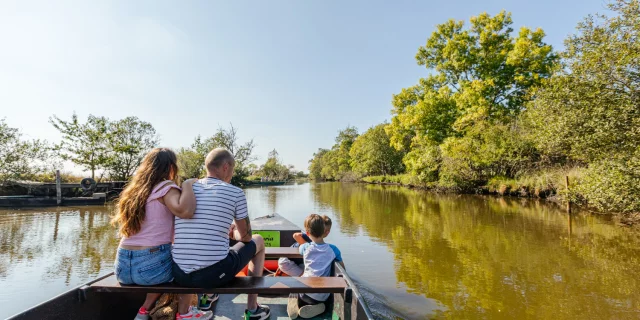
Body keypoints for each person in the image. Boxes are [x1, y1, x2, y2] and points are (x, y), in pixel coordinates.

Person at [111, 148, 212, 320]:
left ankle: (143, 311)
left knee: (162, 264)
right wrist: (187, 185)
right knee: (188, 263)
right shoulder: (166, 187)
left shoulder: (134, 191)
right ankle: (186, 313)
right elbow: (185, 211)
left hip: (122, 268)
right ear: (171, 167)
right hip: (150, 268)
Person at [171, 148, 271, 320]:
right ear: (225, 167)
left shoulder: (185, 190)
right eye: (232, 169)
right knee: (259, 241)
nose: (232, 173)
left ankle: (185, 311)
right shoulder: (235, 192)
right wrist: (232, 234)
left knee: (190, 250)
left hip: (179, 273)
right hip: (213, 276)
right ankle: (253, 309)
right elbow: (247, 237)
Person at [287, 214, 344, 319]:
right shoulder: (333, 249)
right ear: (325, 232)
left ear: (307, 233)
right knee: (319, 293)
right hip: (322, 296)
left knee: (295, 286)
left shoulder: (305, 247)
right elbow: (342, 269)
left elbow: (299, 248)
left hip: (303, 293)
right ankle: (319, 307)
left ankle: (296, 303)